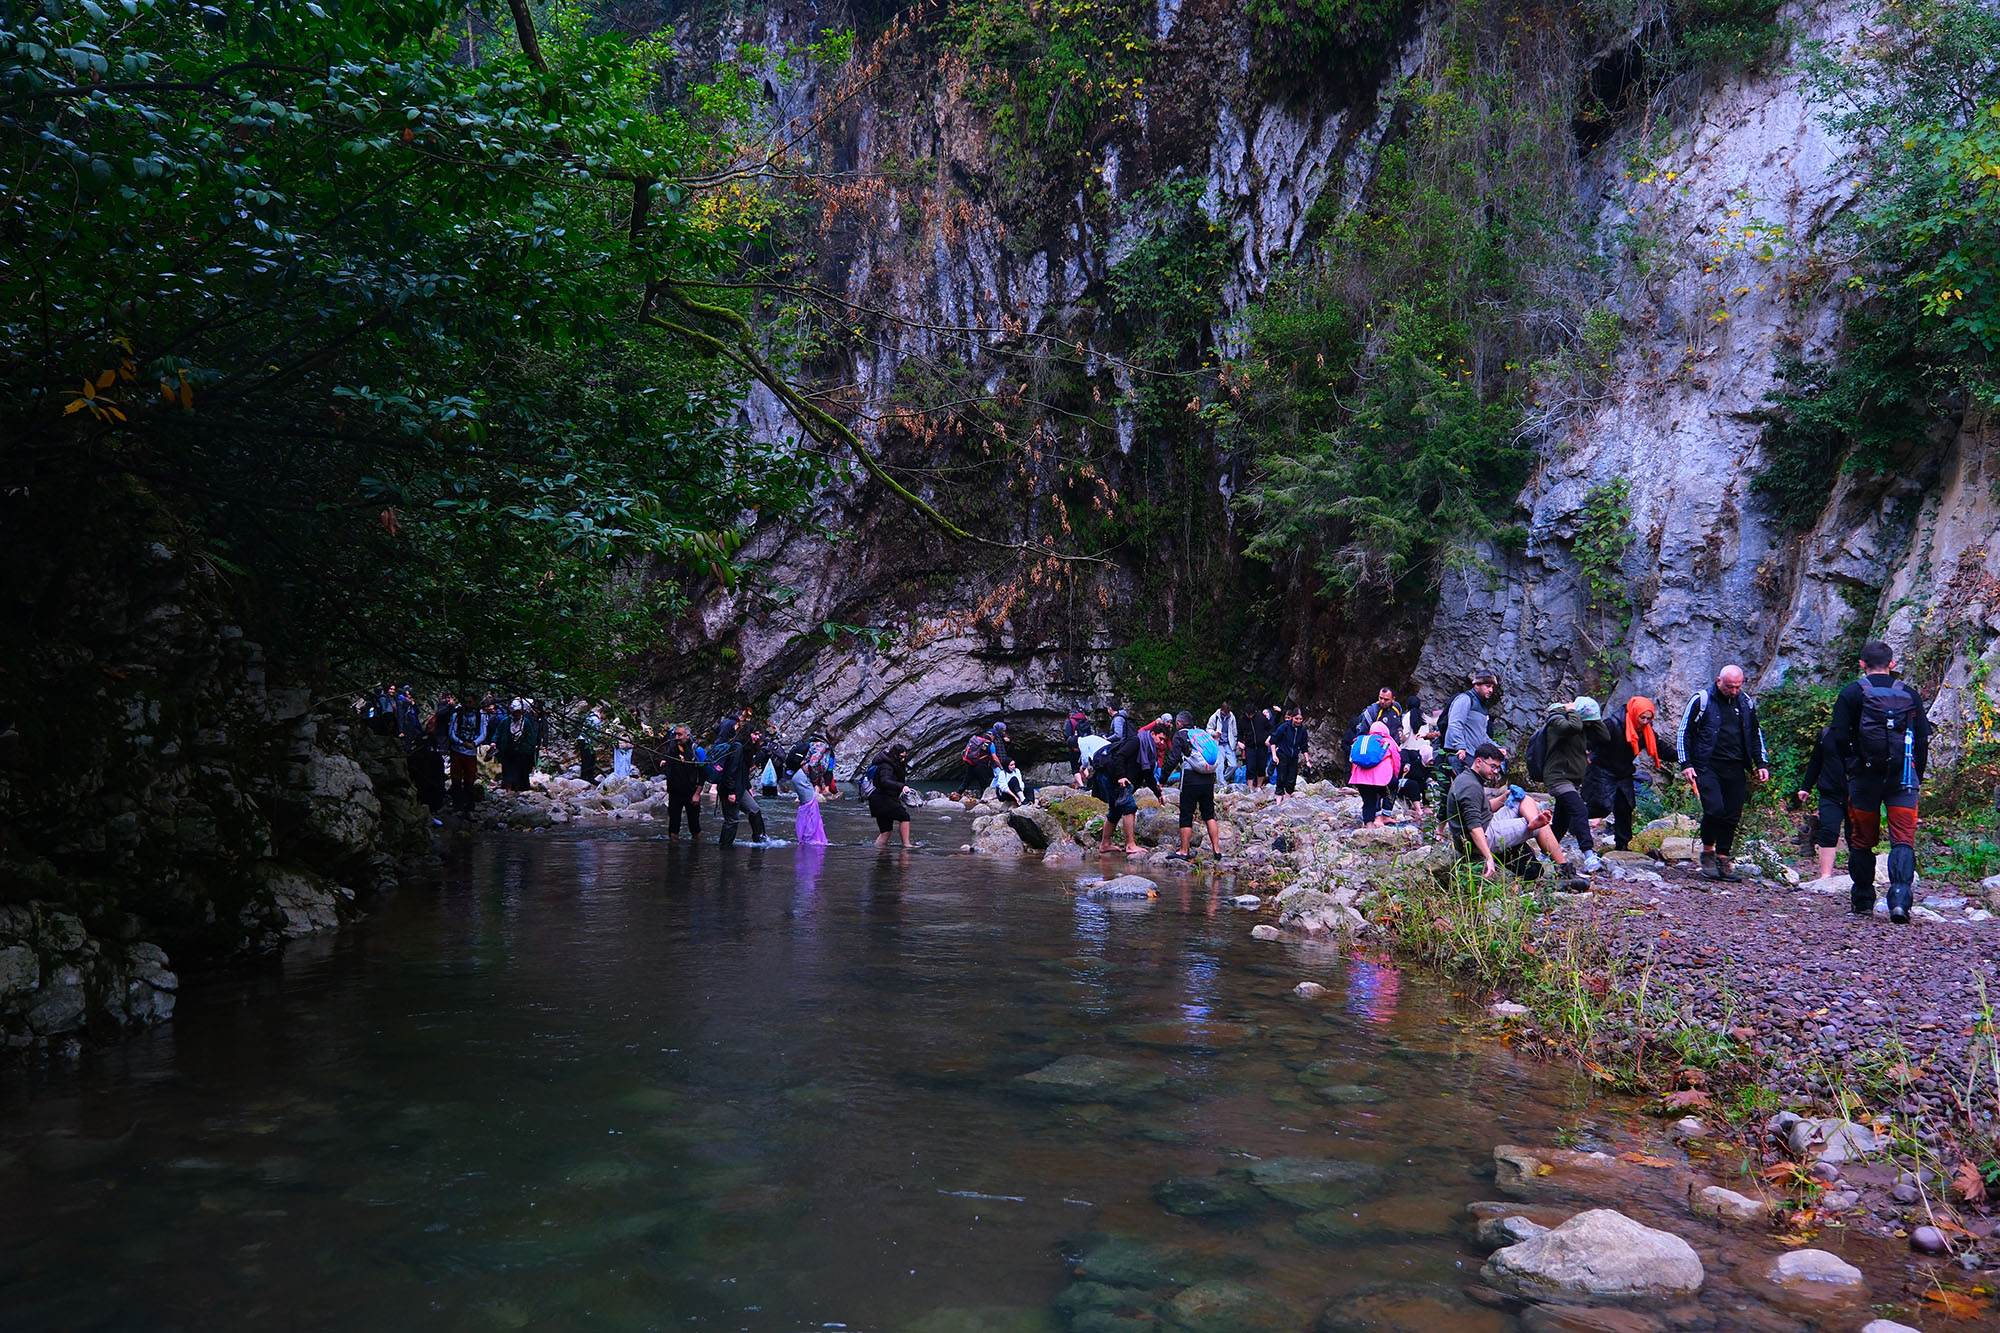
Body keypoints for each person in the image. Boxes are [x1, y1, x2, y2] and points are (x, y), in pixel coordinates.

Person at [1832, 641, 1931, 921]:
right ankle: (1900, 900)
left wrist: (1851, 767)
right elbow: (1921, 740)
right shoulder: (1909, 694)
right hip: (1903, 779)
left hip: (1864, 779)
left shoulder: (1852, 693)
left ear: (1862, 664)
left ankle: (1863, 900)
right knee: (1902, 841)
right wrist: (1915, 776)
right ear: (1892, 664)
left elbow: (1838, 736)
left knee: (1863, 841)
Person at [1676, 665, 1770, 882]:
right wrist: (1686, 763)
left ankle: (1723, 858)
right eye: (1730, 686)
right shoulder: (1702, 700)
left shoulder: (1746, 703)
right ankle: (1708, 852)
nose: (1734, 691)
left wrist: (1761, 763)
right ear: (1719, 681)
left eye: (1738, 686)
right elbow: (1684, 732)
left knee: (1732, 815)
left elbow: (1755, 733)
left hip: (1736, 766)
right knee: (1715, 810)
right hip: (1707, 765)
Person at [1447, 743, 1586, 885]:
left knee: (1524, 799)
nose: (1495, 772)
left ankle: (1532, 821)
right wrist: (1488, 857)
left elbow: (1485, 807)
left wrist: (1505, 797)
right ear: (1478, 762)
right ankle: (1564, 871)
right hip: (1481, 836)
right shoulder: (1470, 787)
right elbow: (1474, 827)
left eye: (1497, 768)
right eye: (1492, 766)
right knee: (1542, 826)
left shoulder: (1469, 778)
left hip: (1486, 823)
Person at [1584, 697, 1672, 851]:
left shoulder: (1647, 732)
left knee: (1625, 807)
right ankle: (1570, 818)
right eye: (1642, 717)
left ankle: (1622, 845)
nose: (1645, 721)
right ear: (1634, 713)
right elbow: (1591, 740)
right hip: (1602, 771)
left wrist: (1685, 757)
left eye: (1648, 718)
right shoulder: (1613, 724)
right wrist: (1586, 754)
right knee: (1600, 807)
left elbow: (1662, 749)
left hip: (1623, 773)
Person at [1541, 695, 1612, 871]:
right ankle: (1589, 856)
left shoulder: (1581, 724)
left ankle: (1543, 855)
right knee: (1579, 810)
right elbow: (1573, 727)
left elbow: (1604, 738)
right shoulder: (1557, 719)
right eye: (1586, 721)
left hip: (1571, 779)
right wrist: (1572, 710)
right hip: (1558, 776)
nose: (1587, 725)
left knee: (1561, 822)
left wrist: (1594, 719)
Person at [1795, 722, 1847, 883]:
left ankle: (1859, 877)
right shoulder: (1826, 734)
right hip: (1829, 792)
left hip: (1856, 793)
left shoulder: (1865, 733)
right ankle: (1825, 877)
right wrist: (1806, 787)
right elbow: (1816, 761)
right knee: (1828, 830)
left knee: (1856, 834)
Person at [1170, 711, 1223, 860]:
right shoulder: (1202, 734)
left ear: (1179, 723)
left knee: (1186, 815)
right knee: (1209, 815)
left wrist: (1161, 779)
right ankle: (1217, 850)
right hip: (1208, 779)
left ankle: (1184, 851)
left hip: (1190, 780)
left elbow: (1173, 758)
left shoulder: (1181, 735)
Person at [1091, 722, 1141, 855]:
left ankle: (1105, 844)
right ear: (1152, 735)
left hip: (1108, 773)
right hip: (1110, 774)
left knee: (1115, 810)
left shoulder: (1146, 749)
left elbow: (1146, 773)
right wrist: (1121, 777)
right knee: (1129, 807)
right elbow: (1119, 758)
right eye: (1160, 738)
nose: (1161, 743)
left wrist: (1157, 792)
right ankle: (1130, 845)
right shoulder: (1137, 742)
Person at [1349, 718, 1403, 826]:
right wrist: (1395, 776)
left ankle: (1370, 827)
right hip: (1381, 778)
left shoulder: (1362, 741)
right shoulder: (1387, 741)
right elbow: (1397, 761)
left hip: (1359, 778)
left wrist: (1353, 776)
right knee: (1386, 790)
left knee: (1368, 800)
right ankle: (1384, 816)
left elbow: (1353, 761)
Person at [1443, 672, 1502, 770]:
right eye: (1487, 686)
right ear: (1477, 685)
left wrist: (1497, 748)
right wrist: (1460, 747)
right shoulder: (1465, 699)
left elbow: (1482, 735)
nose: (1491, 690)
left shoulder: (1482, 707)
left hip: (1471, 755)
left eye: (1492, 687)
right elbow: (1455, 723)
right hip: (1459, 754)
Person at [444, 692, 485, 813]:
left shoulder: (480, 716)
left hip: (471, 752)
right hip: (457, 750)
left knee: (470, 778)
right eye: (466, 702)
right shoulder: (456, 715)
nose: (468, 705)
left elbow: (483, 733)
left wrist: (474, 743)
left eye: (470, 702)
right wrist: (462, 742)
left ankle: (469, 805)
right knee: (456, 778)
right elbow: (451, 732)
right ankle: (457, 803)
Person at [662, 725, 704, 843]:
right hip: (674, 793)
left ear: (688, 735)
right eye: (675, 734)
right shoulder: (672, 748)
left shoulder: (697, 750)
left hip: (691, 793)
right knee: (673, 826)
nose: (676, 737)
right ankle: (673, 854)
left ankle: (696, 852)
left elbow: (702, 773)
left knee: (694, 826)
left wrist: (697, 793)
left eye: (680, 734)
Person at [867, 743, 913, 848]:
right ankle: (907, 845)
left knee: (886, 831)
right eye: (901, 757)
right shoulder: (887, 766)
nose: (903, 760)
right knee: (904, 817)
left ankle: (879, 854)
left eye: (905, 757)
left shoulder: (888, 763)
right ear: (895, 755)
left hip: (878, 800)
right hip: (883, 799)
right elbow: (884, 781)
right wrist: (901, 786)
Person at [786, 733, 828, 846]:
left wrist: (821, 783)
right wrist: (815, 781)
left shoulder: (816, 744)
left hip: (802, 778)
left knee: (812, 809)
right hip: (802, 779)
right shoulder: (821, 746)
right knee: (811, 810)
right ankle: (808, 841)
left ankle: (809, 839)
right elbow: (813, 764)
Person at [1396, 703, 1436, 821]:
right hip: (1422, 748)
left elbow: (1405, 733)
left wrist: (1401, 739)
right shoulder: (1424, 716)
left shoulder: (1407, 716)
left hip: (1411, 748)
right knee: (1415, 783)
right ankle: (1419, 809)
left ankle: (1426, 807)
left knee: (1426, 782)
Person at [496, 697, 541, 791]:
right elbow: (498, 733)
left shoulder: (526, 722)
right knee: (508, 770)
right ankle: (508, 788)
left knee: (520, 770)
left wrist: (531, 746)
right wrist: (494, 742)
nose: (516, 714)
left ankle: (518, 789)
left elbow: (531, 736)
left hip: (521, 751)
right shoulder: (505, 721)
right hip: (508, 750)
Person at [1269, 707, 1308, 801]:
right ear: (1292, 718)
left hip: (1294, 757)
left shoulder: (1302, 730)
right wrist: (1274, 755)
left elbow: (1304, 746)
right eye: (1296, 719)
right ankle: (1278, 802)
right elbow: (1273, 741)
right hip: (1282, 754)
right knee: (1281, 778)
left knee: (1291, 780)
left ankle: (1287, 801)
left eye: (1300, 719)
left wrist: (1307, 761)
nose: (1298, 721)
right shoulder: (1284, 727)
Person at [1206, 701, 1240, 782]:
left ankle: (1223, 779)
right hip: (1219, 743)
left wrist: (1234, 743)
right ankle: (1221, 783)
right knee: (1220, 765)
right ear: (1222, 710)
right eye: (1226, 712)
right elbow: (1208, 729)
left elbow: (1234, 731)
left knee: (1233, 765)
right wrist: (1214, 733)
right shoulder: (1215, 717)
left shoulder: (1232, 717)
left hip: (1229, 743)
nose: (1227, 714)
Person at [1243, 704, 1275, 791]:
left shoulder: (1261, 718)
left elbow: (1271, 729)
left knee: (1261, 766)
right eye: (1248, 714)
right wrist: (1239, 742)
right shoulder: (1243, 720)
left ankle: (1258, 786)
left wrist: (1268, 738)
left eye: (1251, 714)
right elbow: (1240, 733)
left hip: (1262, 746)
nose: (1250, 716)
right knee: (1250, 767)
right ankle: (1250, 787)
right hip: (1250, 746)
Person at [962, 728, 997, 796]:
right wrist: (1000, 766)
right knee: (983, 783)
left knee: (966, 782)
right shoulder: (990, 744)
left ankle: (956, 795)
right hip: (981, 765)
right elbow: (994, 757)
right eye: (994, 736)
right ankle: (983, 799)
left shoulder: (976, 740)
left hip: (971, 763)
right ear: (992, 735)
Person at [576, 706, 605, 785]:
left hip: (584, 740)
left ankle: (587, 776)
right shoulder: (596, 719)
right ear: (602, 713)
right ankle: (587, 777)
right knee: (588, 759)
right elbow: (596, 733)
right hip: (586, 741)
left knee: (589, 758)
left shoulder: (591, 717)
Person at [1064, 705, 1090, 777]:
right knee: (1084, 765)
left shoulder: (1071, 721)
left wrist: (1071, 746)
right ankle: (1088, 780)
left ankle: (1081, 785)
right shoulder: (1085, 721)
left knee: (1075, 767)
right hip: (1085, 746)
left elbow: (1067, 734)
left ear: (1071, 715)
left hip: (1075, 746)